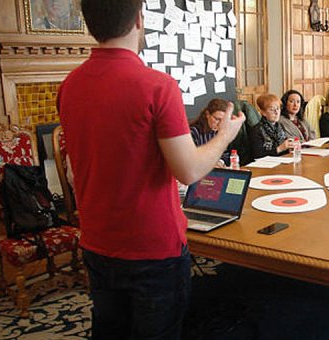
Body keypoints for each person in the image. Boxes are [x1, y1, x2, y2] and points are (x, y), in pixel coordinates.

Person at [58, 1, 245, 338]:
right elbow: (188, 170)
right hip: (152, 248)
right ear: (140, 19)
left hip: (97, 242)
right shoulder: (158, 86)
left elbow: (76, 170)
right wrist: (223, 136)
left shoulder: (69, 86)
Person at [189, 98, 232, 167]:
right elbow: (190, 160)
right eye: (217, 119)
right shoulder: (194, 132)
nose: (220, 124)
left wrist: (220, 162)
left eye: (223, 120)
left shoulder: (220, 131)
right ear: (207, 114)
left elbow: (225, 154)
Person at [249, 93, 294, 158]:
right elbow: (258, 155)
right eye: (272, 109)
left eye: (278, 109)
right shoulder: (256, 130)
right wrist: (280, 149)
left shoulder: (280, 126)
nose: (276, 112)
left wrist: (291, 146)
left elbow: (285, 147)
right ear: (263, 112)